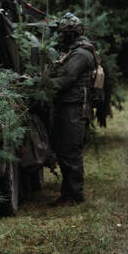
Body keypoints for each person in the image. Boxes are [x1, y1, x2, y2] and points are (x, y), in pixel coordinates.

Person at [49, 13, 97, 205]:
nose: (60, 37)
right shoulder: (75, 51)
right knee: (63, 150)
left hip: (75, 108)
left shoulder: (81, 54)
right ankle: (67, 193)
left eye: (63, 33)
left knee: (71, 151)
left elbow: (67, 80)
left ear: (73, 33)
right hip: (68, 106)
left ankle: (75, 195)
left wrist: (44, 84)